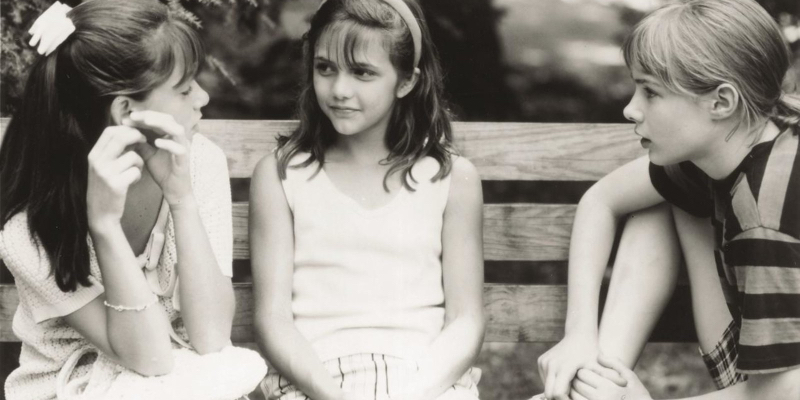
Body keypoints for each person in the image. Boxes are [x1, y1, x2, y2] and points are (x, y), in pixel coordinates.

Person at [535, 0, 800, 399]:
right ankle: (596, 379)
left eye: (650, 92)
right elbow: (601, 200)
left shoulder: (763, 219)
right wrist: (580, 334)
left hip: (776, 385)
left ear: (721, 102)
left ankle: (600, 390)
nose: (630, 109)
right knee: (663, 193)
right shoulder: (754, 129)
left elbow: (785, 392)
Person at [0, 1, 238, 399]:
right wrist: (105, 226)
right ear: (126, 111)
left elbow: (213, 338)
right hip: (73, 386)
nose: (203, 98)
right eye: (184, 88)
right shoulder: (28, 230)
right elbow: (149, 359)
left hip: (187, 378)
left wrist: (181, 199)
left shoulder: (198, 163)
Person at [249, 0, 485, 399]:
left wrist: (412, 393)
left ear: (406, 81)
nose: (339, 90)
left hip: (424, 379)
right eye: (325, 68)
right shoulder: (282, 175)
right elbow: (273, 319)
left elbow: (466, 319)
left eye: (362, 72)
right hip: (315, 381)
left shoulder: (450, 178)